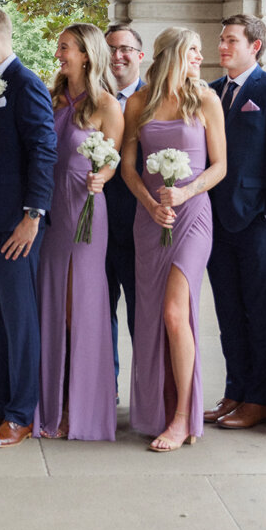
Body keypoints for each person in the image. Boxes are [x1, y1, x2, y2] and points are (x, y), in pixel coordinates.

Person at [121, 27, 225, 451]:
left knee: (174, 313)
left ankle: (183, 416)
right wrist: (149, 203)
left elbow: (219, 166)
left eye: (201, 51)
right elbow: (129, 167)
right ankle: (156, 409)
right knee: (151, 316)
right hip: (150, 219)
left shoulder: (205, 99)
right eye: (193, 52)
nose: (200, 58)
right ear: (169, 56)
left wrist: (184, 193)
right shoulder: (138, 102)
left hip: (193, 216)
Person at [0, 4, 58, 447]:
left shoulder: (26, 84)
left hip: (15, 224)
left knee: (19, 320)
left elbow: (44, 150)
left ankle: (21, 412)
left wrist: (33, 215)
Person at [203, 15, 266, 430]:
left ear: (254, 46)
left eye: (230, 40)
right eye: (221, 39)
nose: (222, 46)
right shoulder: (210, 92)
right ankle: (235, 391)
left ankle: (259, 400)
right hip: (214, 219)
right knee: (227, 309)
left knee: (259, 309)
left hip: (258, 221)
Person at [34, 24, 124, 441]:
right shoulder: (51, 98)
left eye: (65, 47)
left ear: (86, 54)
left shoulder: (106, 104)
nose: (58, 53)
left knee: (79, 308)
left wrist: (101, 177)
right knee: (51, 304)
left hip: (84, 206)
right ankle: (49, 402)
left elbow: (113, 157)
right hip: (49, 209)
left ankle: (79, 407)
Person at [103, 21, 145, 387]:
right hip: (94, 221)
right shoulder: (88, 99)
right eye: (111, 49)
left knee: (141, 313)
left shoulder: (155, 99)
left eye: (125, 49)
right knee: (99, 313)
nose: (118, 56)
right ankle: (106, 388)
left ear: (140, 56)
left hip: (139, 224)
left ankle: (146, 390)